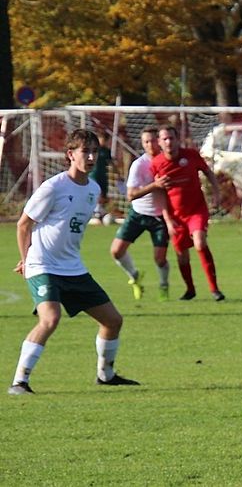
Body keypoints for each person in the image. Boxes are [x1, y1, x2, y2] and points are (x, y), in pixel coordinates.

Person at [9, 129, 139, 395]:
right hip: (42, 265)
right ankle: (19, 381)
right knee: (50, 319)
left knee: (113, 320)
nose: (91, 157)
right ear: (70, 155)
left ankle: (106, 375)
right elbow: (24, 225)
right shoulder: (53, 187)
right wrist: (26, 260)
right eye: (85, 152)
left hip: (73, 267)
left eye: (95, 152)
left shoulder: (93, 189)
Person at [150, 126, 225, 301]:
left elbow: (207, 172)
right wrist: (168, 220)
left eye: (171, 138)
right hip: (175, 216)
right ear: (160, 143)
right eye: (165, 139)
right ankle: (190, 290)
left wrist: (216, 193)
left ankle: (215, 289)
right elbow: (159, 193)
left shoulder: (191, 155)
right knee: (182, 256)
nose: (169, 142)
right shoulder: (157, 164)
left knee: (199, 242)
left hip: (196, 210)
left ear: (178, 139)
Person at [110, 128, 171, 301]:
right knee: (116, 251)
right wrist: (155, 185)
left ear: (159, 141)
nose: (150, 145)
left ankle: (164, 284)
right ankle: (135, 276)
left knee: (159, 259)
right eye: (146, 142)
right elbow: (131, 195)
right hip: (138, 213)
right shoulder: (139, 164)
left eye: (153, 140)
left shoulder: (167, 161)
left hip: (159, 217)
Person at [89, 130, 114, 221]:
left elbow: (111, 162)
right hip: (94, 174)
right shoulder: (94, 150)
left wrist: (117, 173)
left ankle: (100, 211)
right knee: (97, 192)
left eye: (105, 139)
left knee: (104, 193)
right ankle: (96, 211)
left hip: (104, 175)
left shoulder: (106, 151)